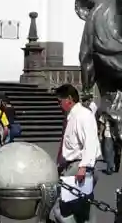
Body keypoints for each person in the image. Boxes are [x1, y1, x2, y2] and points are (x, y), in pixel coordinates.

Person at [52, 84, 101, 223]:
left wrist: (83, 166)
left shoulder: (83, 115)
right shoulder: (71, 116)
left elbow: (90, 142)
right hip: (72, 165)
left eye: (60, 101)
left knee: (61, 208)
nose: (58, 105)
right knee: (83, 209)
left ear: (69, 99)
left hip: (78, 166)